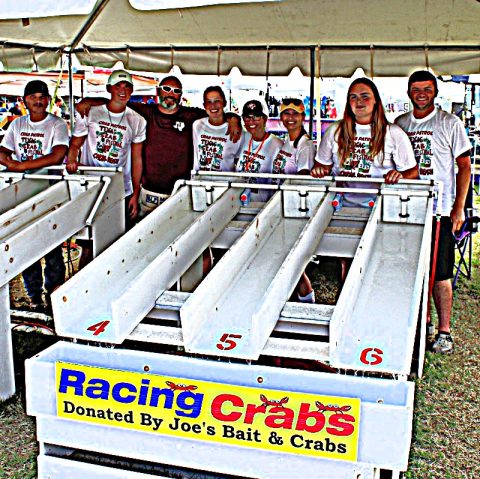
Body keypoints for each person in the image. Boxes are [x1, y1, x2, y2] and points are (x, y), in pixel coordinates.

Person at [76, 75, 241, 217]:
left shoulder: (191, 116)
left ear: (181, 95)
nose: (171, 94)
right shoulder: (143, 112)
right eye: (167, 89)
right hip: (147, 192)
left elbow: (215, 112)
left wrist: (234, 119)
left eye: (176, 91)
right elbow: (115, 101)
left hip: (180, 191)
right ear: (158, 91)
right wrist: (88, 101)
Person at [395, 70, 472, 354]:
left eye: (427, 89)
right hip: (407, 208)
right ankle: (421, 322)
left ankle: (444, 331)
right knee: (411, 270)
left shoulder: (450, 123)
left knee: (440, 273)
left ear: (435, 92)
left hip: (439, 210)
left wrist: (458, 208)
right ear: (409, 92)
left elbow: (464, 166)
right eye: (416, 89)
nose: (421, 94)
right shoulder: (400, 124)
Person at [0, 80, 68, 312]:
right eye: (33, 97)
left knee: (53, 246)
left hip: (50, 191)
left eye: (41, 97)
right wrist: (9, 161)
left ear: (48, 100)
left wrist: (21, 165)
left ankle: (55, 294)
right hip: (24, 193)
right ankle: (34, 297)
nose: (38, 101)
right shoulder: (17, 124)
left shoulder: (57, 124)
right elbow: (3, 149)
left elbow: (57, 155)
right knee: (28, 245)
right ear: (24, 101)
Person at [67, 70, 146, 267]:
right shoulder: (90, 112)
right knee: (88, 244)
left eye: (127, 86)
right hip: (91, 187)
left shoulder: (137, 120)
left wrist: (135, 193)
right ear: (109, 88)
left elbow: (137, 159)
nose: (122, 90)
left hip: (121, 190)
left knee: (119, 242)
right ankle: (83, 281)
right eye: (118, 86)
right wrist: (72, 160)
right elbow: (75, 144)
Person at [311, 77, 418, 207]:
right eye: (353, 97)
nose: (359, 101)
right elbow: (322, 165)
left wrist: (399, 176)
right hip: (338, 205)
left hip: (380, 206)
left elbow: (413, 171)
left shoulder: (394, 132)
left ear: (375, 100)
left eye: (365, 96)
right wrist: (319, 171)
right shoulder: (334, 130)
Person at [274, 98, 316, 303]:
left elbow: (303, 179)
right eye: (286, 113)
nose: (290, 118)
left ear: (303, 117)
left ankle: (308, 303)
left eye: (295, 113)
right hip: (282, 206)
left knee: (294, 263)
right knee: (287, 261)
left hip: (294, 209)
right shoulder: (286, 142)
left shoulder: (305, 145)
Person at [236, 99, 283, 201]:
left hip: (261, 205)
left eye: (256, 116)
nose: (251, 121)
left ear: (264, 119)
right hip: (237, 202)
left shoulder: (277, 145)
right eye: (247, 117)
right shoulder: (241, 139)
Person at [192, 86, 243, 172]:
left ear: (225, 103)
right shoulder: (197, 125)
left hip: (225, 180)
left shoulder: (235, 130)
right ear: (204, 106)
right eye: (209, 101)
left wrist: (235, 119)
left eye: (217, 101)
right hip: (200, 179)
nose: (213, 105)